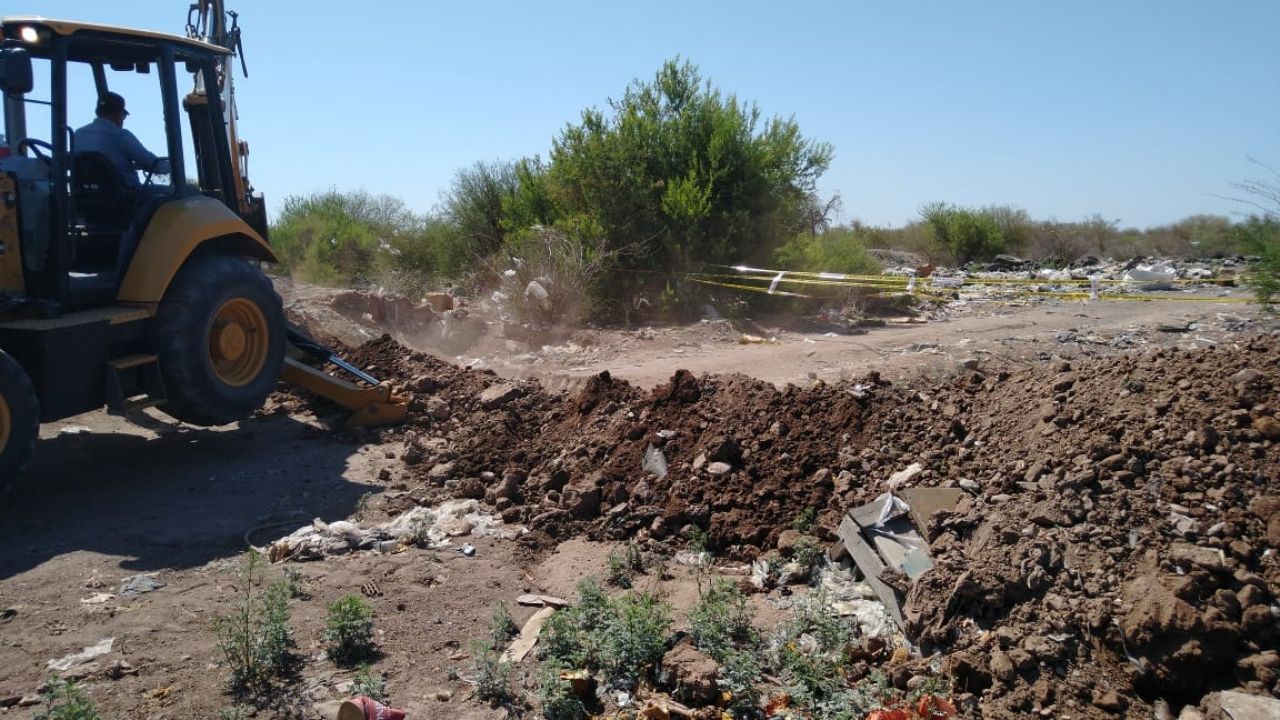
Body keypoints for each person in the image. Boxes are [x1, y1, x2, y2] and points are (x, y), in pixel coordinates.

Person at [74, 92, 170, 187]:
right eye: (123, 116)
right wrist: (173, 166)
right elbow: (154, 165)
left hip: (85, 196)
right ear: (118, 114)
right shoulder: (121, 136)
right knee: (172, 192)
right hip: (125, 197)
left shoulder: (77, 135)